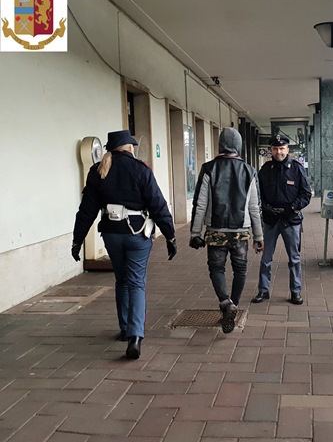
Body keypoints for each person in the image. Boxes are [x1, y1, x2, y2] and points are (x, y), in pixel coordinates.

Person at [72, 129, 176, 360]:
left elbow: (87, 210)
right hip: (137, 233)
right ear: (130, 148)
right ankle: (135, 336)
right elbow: (158, 204)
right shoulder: (140, 170)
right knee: (136, 282)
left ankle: (125, 328)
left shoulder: (97, 171)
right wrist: (170, 235)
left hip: (111, 234)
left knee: (121, 279)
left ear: (110, 149)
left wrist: (77, 239)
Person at [189, 128, 264, 333]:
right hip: (241, 230)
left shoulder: (208, 169)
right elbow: (254, 207)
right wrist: (259, 235)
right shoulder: (249, 171)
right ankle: (234, 305)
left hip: (216, 230)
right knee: (240, 269)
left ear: (220, 145)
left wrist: (195, 233)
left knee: (216, 268)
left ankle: (225, 302)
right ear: (239, 146)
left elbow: (200, 204)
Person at [252, 134, 312, 305]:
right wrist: (266, 208)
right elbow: (258, 194)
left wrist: (292, 208)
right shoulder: (265, 169)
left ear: (287, 150)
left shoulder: (296, 168)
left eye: (282, 148)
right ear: (271, 150)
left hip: (290, 220)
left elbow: (306, 194)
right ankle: (263, 291)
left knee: (294, 258)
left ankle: (296, 292)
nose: (279, 152)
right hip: (270, 220)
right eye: (275, 149)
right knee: (266, 259)